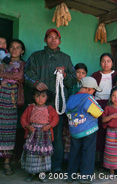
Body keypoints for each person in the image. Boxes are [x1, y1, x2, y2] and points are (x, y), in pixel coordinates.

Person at [24, 28, 77, 173]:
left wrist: (65, 75)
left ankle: (56, 167)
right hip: (39, 106)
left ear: (60, 41)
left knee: (57, 136)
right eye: (50, 37)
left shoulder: (66, 58)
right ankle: (36, 168)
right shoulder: (36, 56)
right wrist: (35, 83)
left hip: (57, 106)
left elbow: (72, 81)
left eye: (56, 38)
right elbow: (26, 74)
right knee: (36, 136)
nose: (53, 40)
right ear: (45, 40)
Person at [66, 76, 103, 183]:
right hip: (88, 130)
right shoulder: (88, 98)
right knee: (88, 152)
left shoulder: (71, 98)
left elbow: (66, 112)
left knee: (74, 152)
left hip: (75, 130)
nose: (94, 92)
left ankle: (70, 175)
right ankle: (85, 176)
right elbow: (98, 112)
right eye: (94, 90)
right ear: (89, 89)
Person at [21, 89, 59, 182]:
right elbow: (23, 118)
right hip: (33, 134)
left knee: (43, 154)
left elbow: (56, 118)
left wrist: (49, 126)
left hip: (45, 134)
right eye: (37, 96)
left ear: (47, 97)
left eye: (43, 96)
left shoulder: (50, 108)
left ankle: (42, 174)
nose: (40, 99)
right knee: (32, 153)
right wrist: (28, 126)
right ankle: (31, 172)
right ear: (33, 97)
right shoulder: (30, 108)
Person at [0, 39, 26, 175]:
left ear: (22, 51)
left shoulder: (23, 64)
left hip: (11, 98)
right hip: (0, 95)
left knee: (8, 129)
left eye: (17, 48)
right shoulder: (2, 61)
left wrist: (4, 75)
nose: (14, 50)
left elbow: (20, 76)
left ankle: (6, 162)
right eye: (11, 47)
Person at [91, 53, 117, 163]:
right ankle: (98, 160)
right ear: (100, 63)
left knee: (110, 131)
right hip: (97, 105)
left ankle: (110, 160)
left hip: (111, 105)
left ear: (112, 63)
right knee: (97, 131)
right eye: (103, 61)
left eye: (108, 61)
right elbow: (91, 91)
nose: (106, 63)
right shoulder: (95, 75)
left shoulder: (116, 75)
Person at [63, 63, 88, 159]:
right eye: (78, 72)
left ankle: (80, 159)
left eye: (83, 73)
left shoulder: (86, 87)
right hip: (71, 115)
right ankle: (69, 158)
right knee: (70, 135)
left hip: (82, 116)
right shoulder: (71, 84)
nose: (80, 75)